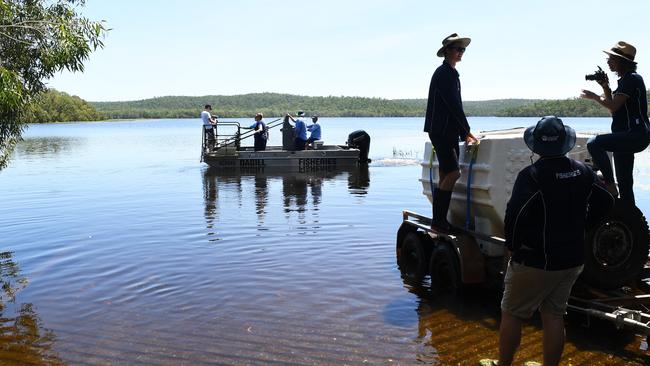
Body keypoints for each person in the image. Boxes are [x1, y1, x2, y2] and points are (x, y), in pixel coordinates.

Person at [480, 117, 614, 366]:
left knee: (511, 313)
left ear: (536, 146)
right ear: (565, 143)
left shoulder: (532, 175)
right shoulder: (583, 171)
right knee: (553, 315)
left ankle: (504, 364)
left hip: (535, 259)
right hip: (572, 259)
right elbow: (606, 200)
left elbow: (516, 214)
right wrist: (585, 226)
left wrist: (512, 245)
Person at [580, 41, 650, 203]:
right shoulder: (626, 80)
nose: (608, 61)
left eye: (612, 58)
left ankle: (610, 185)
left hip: (635, 135)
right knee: (626, 185)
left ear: (623, 62)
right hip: (627, 135)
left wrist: (595, 97)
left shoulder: (632, 79)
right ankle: (631, 222)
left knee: (594, 143)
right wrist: (605, 87)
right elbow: (615, 111)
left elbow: (612, 105)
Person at [423, 33, 478, 232]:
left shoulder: (450, 72)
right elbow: (453, 105)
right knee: (454, 173)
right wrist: (467, 131)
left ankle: (439, 221)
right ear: (447, 51)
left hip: (446, 130)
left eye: (463, 49)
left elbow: (454, 106)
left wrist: (463, 132)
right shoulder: (444, 73)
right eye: (457, 49)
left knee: (445, 173)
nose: (461, 52)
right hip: (441, 131)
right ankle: (438, 222)